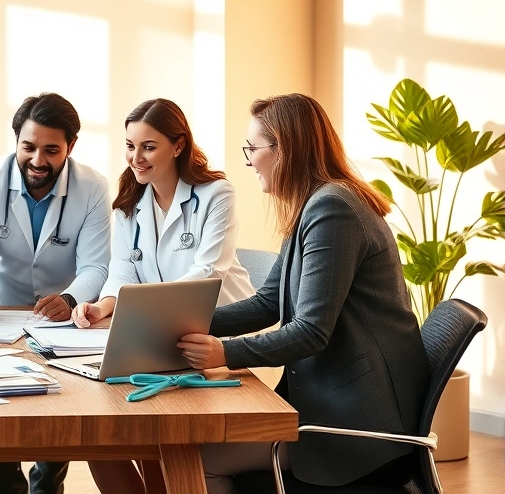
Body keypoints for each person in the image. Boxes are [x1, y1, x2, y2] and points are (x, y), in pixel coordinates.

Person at [178, 93, 429, 493]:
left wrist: (224, 352)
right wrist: (174, 322)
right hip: (333, 403)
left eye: (252, 148)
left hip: (358, 427)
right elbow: (267, 303)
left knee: (196, 460)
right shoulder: (315, 204)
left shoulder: (333, 209)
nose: (247, 160)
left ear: (285, 149)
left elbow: (311, 331)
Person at [72, 98, 256, 493]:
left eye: (148, 146)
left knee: (153, 434)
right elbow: (122, 270)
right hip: (160, 339)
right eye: (129, 146)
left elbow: (207, 271)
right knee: (96, 435)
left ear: (178, 145)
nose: (135, 157)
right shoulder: (127, 205)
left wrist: (145, 313)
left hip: (217, 339)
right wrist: (102, 307)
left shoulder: (215, 194)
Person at [0, 92, 111, 494]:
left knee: (61, 400)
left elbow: (96, 264)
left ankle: (47, 484)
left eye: (51, 150)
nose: (38, 160)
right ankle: (6, 484)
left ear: (71, 147)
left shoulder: (93, 186)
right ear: (16, 141)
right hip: (1, 313)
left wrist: (73, 299)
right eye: (28, 147)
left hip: (63, 315)